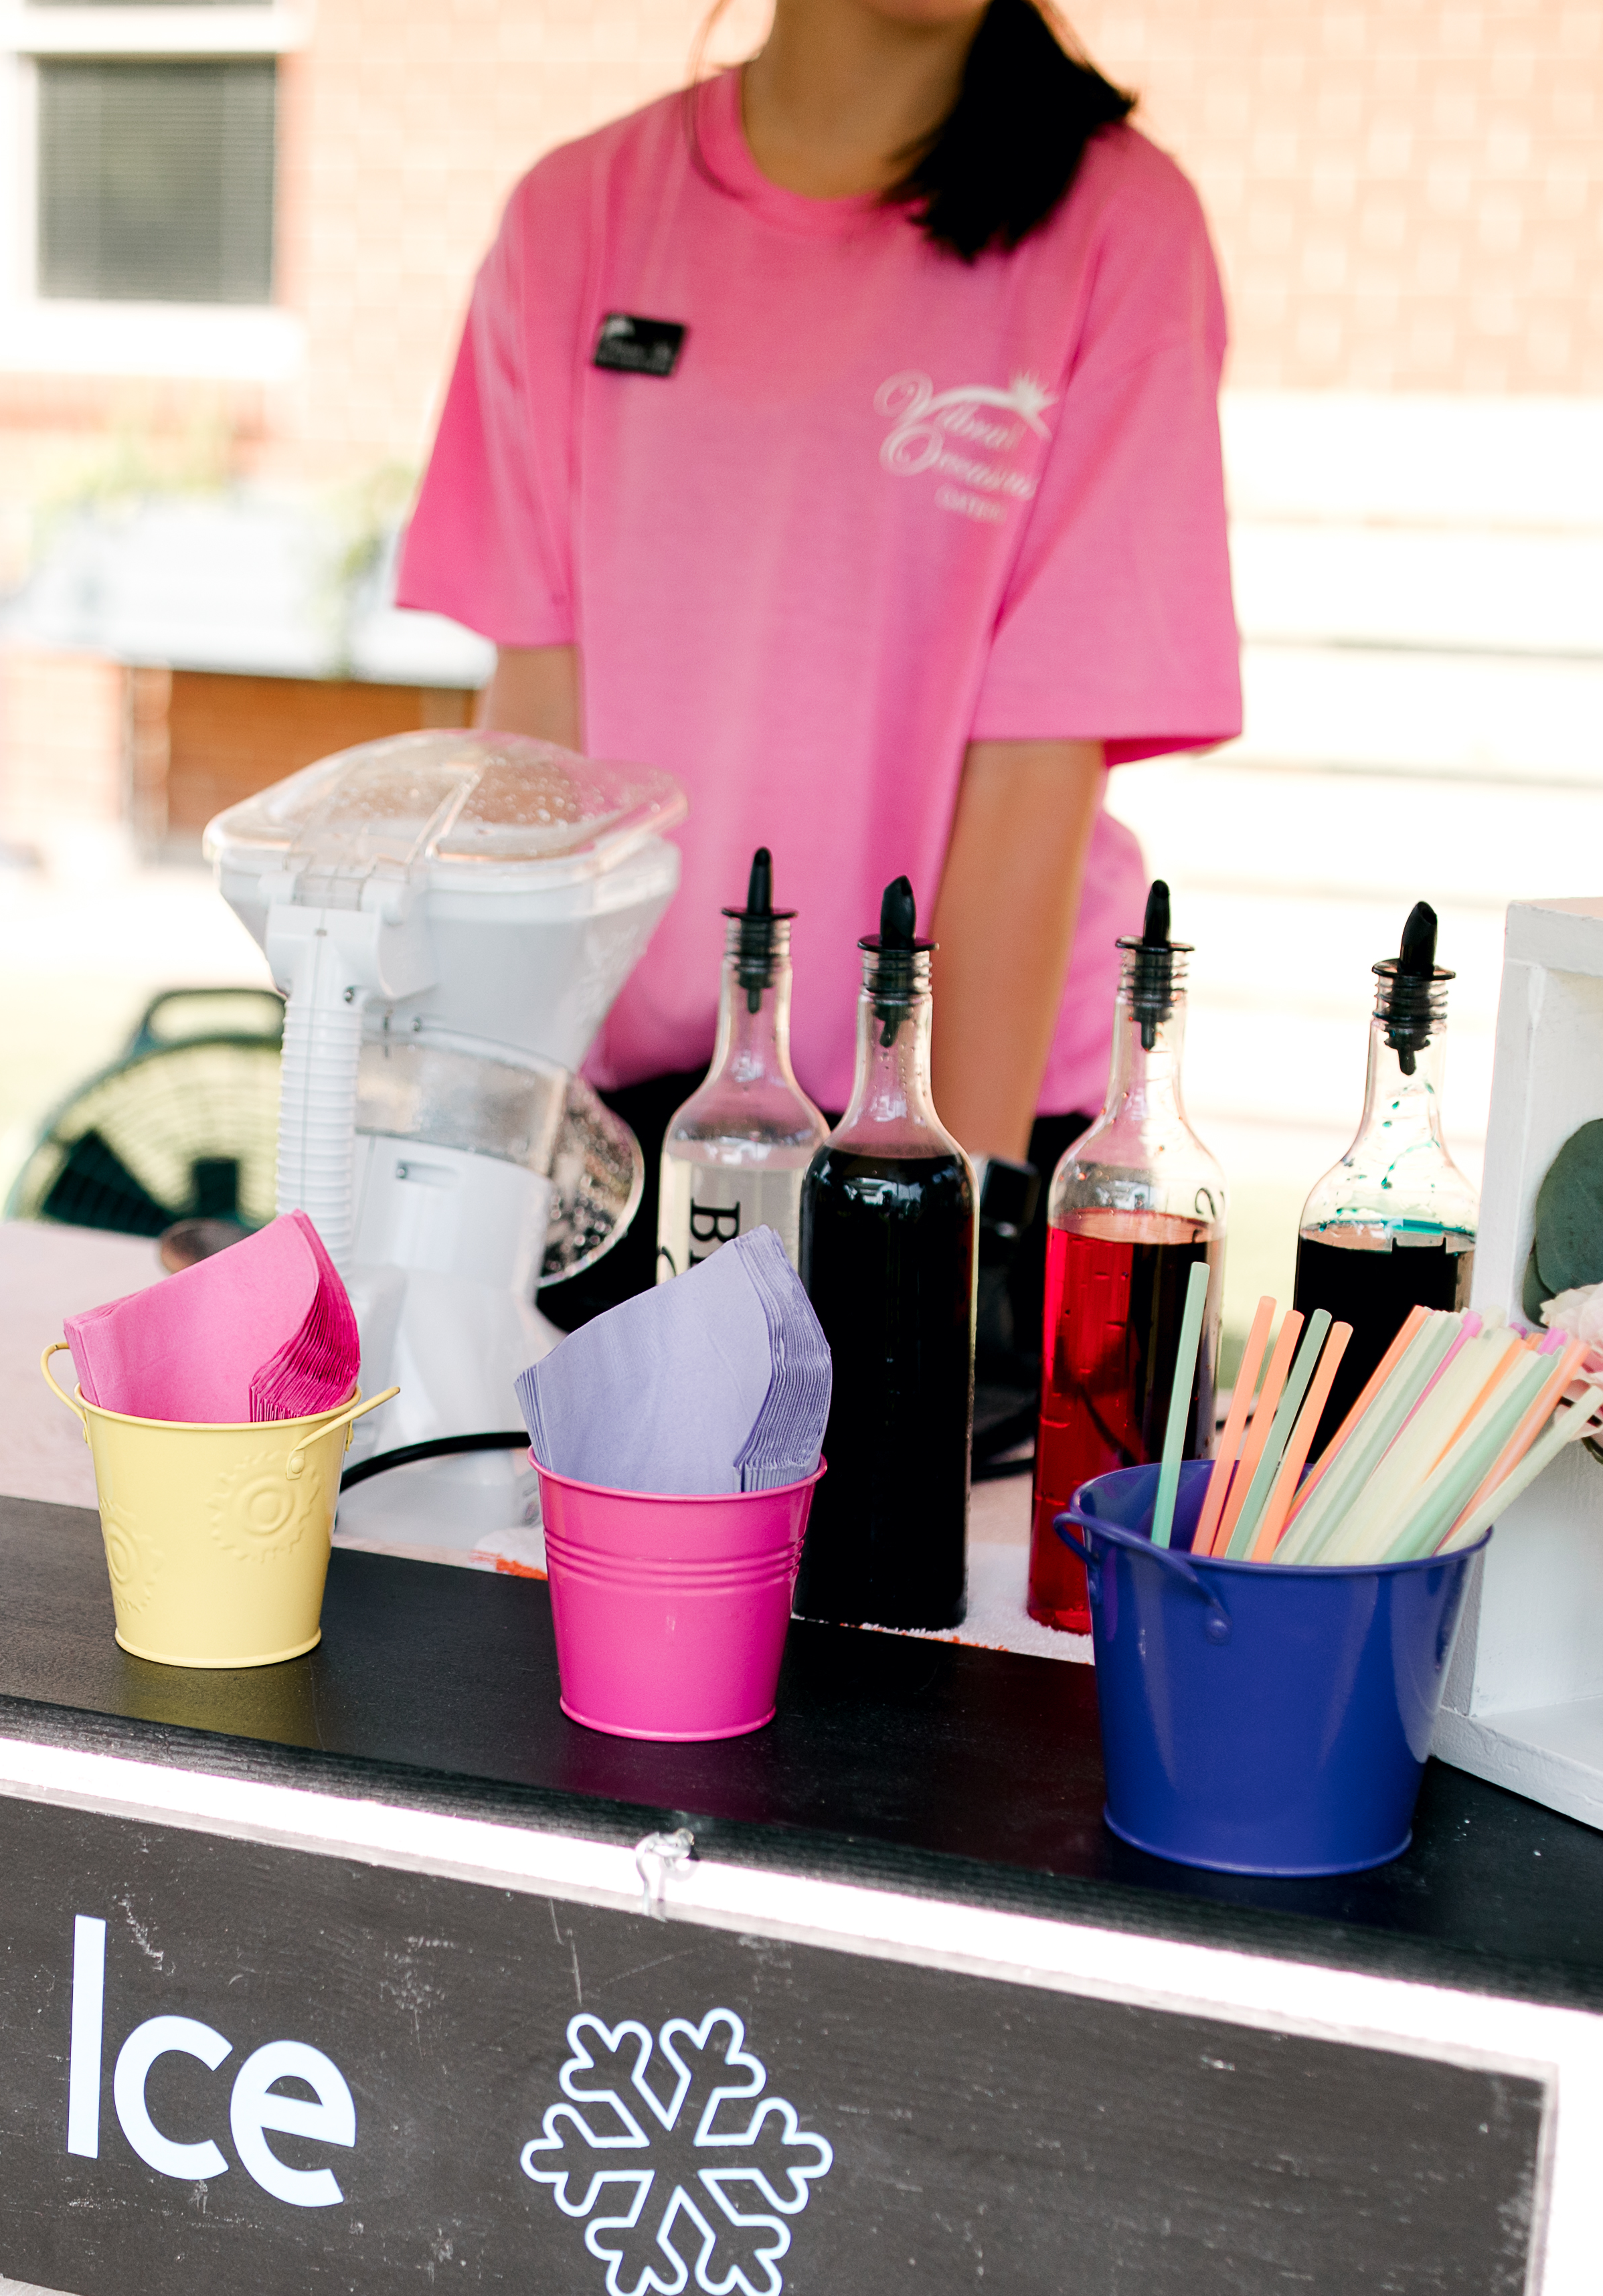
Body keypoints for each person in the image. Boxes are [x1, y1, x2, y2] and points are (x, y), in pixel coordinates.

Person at [395, 0, 1240, 1443]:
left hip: (970, 1153)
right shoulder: (579, 216)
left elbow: (1036, 779)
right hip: (654, 1139)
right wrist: (486, 1180)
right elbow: (535, 750)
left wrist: (936, 1257)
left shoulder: (1117, 226)